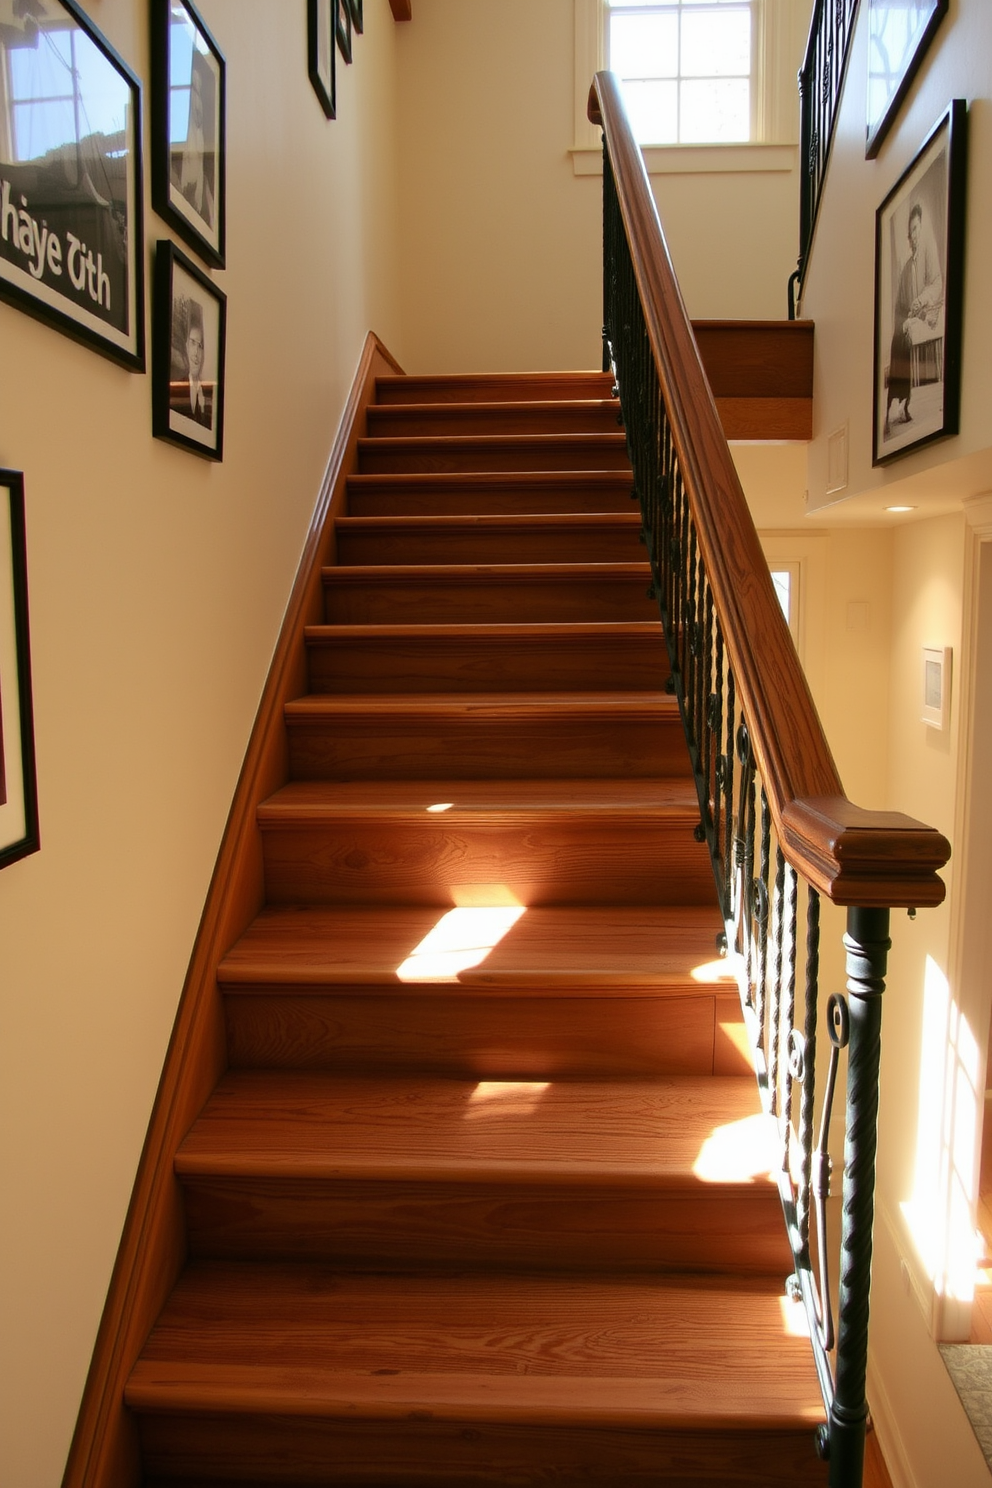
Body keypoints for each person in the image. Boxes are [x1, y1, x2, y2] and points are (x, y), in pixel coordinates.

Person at [885, 200, 943, 433]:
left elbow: (936, 285)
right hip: (908, 319)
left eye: (916, 229)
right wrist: (904, 322)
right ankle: (896, 401)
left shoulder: (930, 255)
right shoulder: (907, 268)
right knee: (899, 340)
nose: (914, 236)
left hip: (926, 313)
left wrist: (921, 303)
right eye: (911, 232)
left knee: (906, 339)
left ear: (922, 228)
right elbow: (900, 304)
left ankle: (904, 403)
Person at [170, 299, 212, 429]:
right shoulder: (176, 391)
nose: (196, 352)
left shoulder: (208, 395)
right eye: (193, 343)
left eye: (200, 346)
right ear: (186, 346)